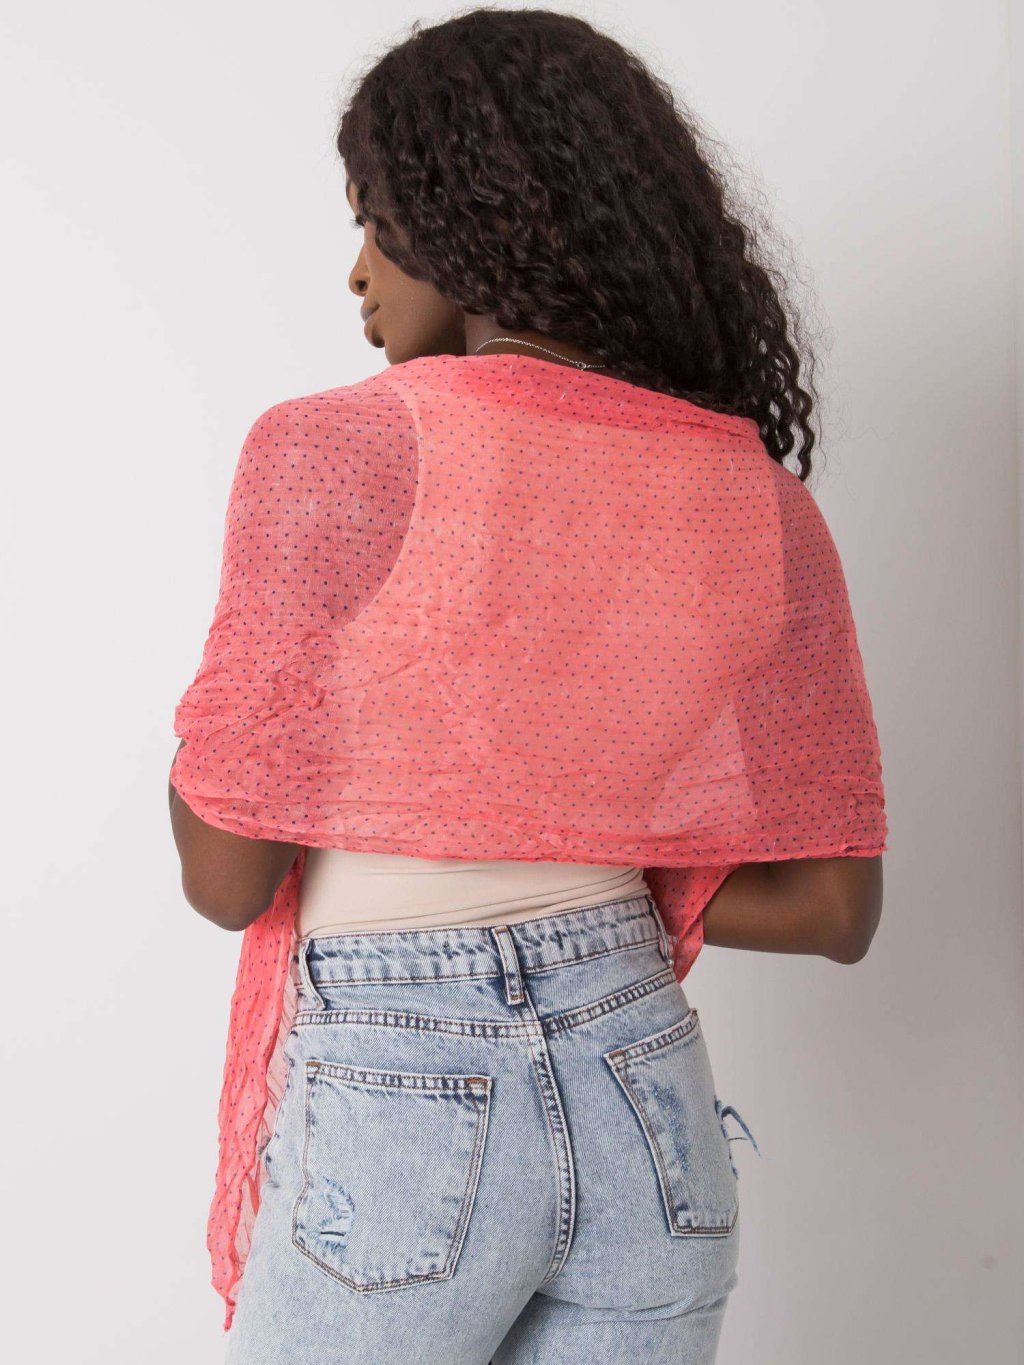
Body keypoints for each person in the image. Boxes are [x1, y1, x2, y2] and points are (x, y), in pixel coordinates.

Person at [169, 9, 886, 1362]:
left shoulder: (337, 455)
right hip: (649, 1096)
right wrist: (578, 858)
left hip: (402, 1092)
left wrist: (238, 714)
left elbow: (225, 875)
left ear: (468, 217)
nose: (357, 270)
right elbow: (834, 906)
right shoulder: (754, 499)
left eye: (372, 220)